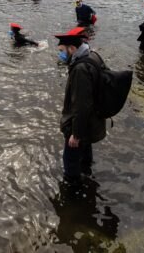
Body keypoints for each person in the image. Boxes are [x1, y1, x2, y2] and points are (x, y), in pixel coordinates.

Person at [55, 27, 106, 185]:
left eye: (62, 50)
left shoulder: (80, 69)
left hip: (81, 124)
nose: (61, 54)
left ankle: (73, 191)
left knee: (70, 162)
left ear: (72, 48)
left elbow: (81, 105)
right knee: (85, 154)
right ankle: (86, 173)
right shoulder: (93, 55)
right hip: (92, 121)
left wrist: (75, 134)